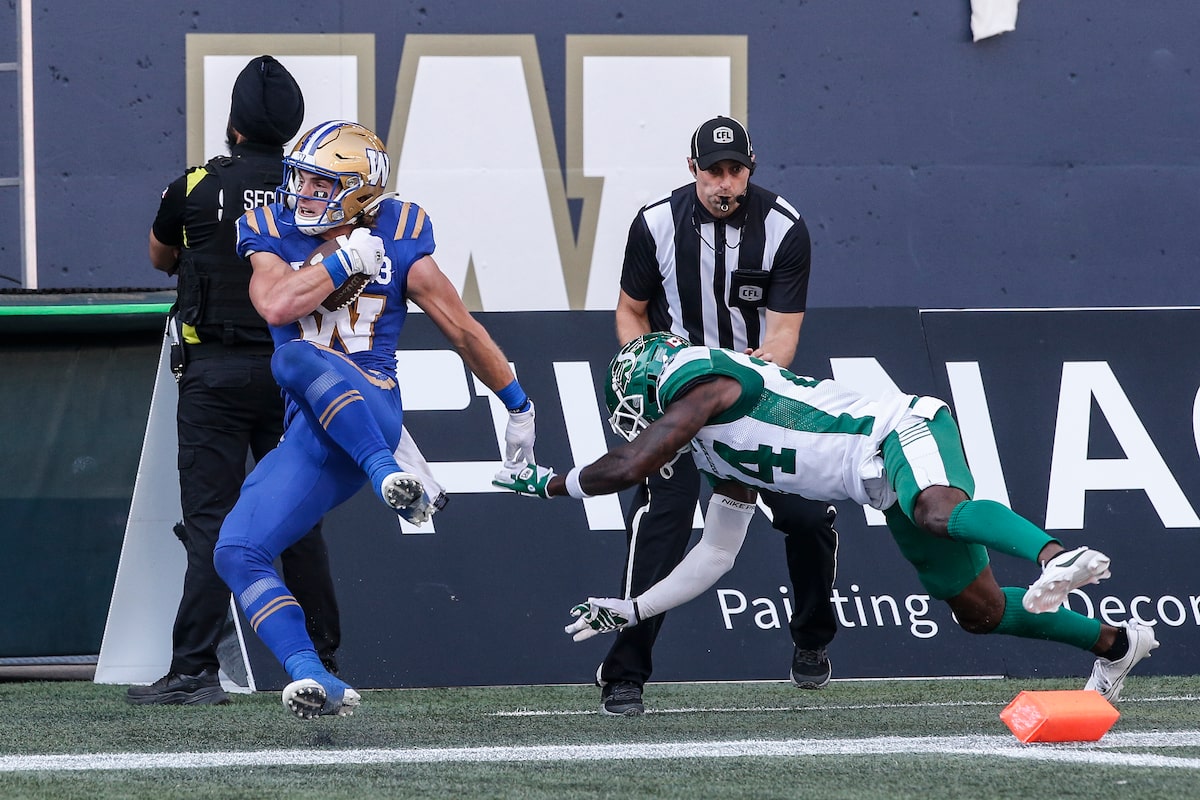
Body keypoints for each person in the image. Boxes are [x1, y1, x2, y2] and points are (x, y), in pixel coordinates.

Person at [494, 333, 1161, 702]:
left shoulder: (706, 386)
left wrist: (546, 482)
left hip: (901, 429)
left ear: (655, 387)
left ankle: (1053, 557)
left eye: (639, 409)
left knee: (935, 509)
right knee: (979, 611)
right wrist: (634, 609)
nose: (643, 423)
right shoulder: (711, 451)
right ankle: (1114, 644)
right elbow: (716, 555)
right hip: (875, 484)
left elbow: (631, 463)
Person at [214, 119, 537, 720]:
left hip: (375, 407)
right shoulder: (268, 229)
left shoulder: (401, 231)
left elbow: (461, 329)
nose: (302, 192)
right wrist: (343, 263)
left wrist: (519, 403)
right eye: (302, 179)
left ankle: (391, 473)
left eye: (320, 182)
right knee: (236, 550)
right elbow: (277, 302)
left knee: (293, 355)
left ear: (360, 191)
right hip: (313, 436)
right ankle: (314, 678)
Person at [594, 115, 838, 715]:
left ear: (750, 169)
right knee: (661, 525)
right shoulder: (655, 224)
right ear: (692, 171)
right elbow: (632, 310)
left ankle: (812, 639)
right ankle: (625, 673)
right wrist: (641, 368)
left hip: (758, 397)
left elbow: (783, 335)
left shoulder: (783, 228)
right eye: (713, 172)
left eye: (736, 171)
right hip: (680, 402)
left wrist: (751, 380)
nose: (725, 183)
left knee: (808, 517)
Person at [128, 55, 341, 706]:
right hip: (294, 373)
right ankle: (322, 659)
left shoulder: (196, 185)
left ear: (234, 127)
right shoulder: (316, 192)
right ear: (295, 128)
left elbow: (160, 254)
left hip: (215, 374)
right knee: (299, 521)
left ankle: (195, 670)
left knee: (213, 524)